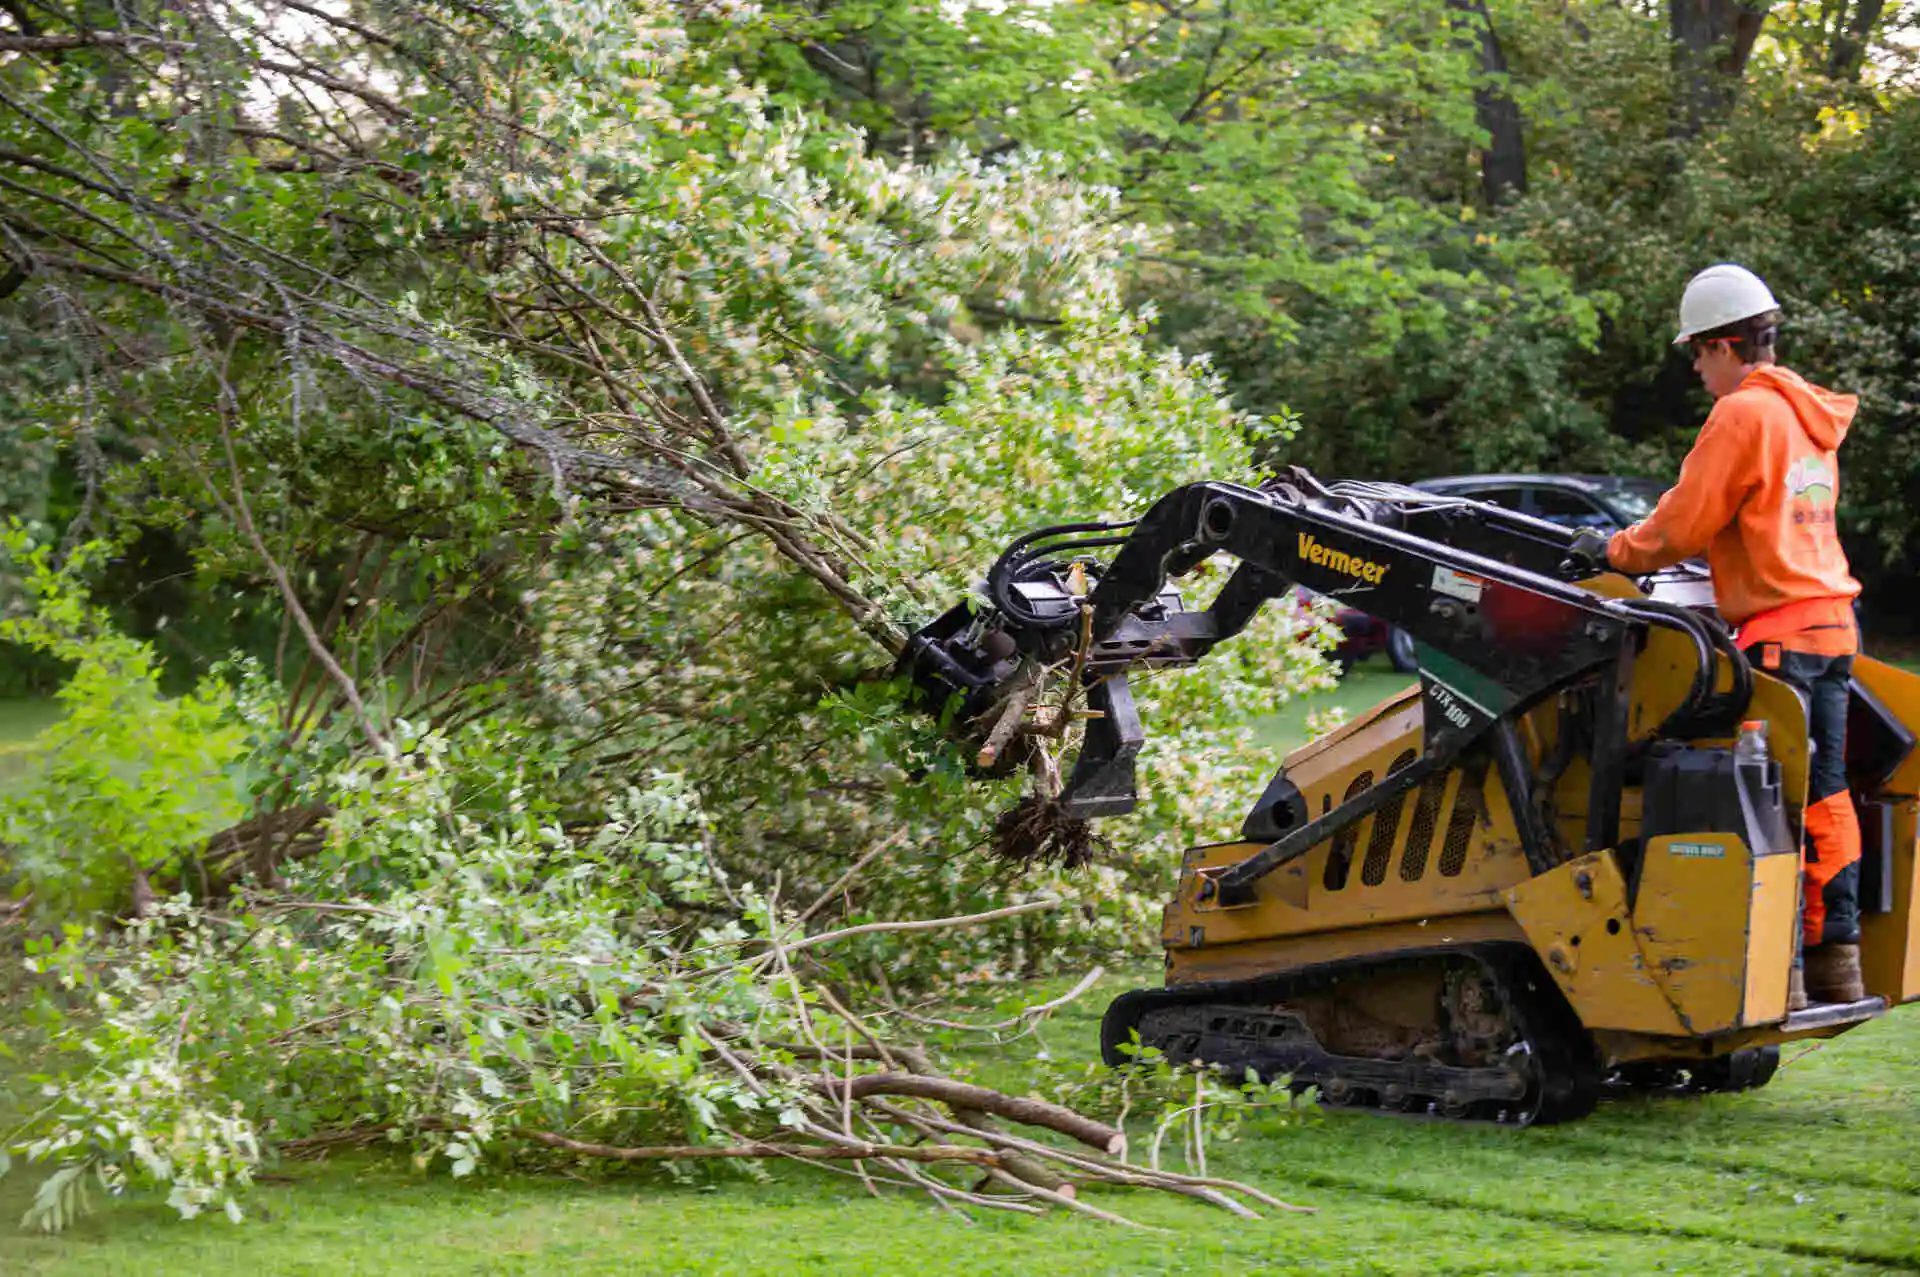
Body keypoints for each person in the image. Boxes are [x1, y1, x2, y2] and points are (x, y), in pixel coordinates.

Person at [1566, 263, 1864, 1008]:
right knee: (1824, 796)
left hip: (1779, 639)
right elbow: (1760, 518)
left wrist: (1610, 550)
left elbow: (1680, 523)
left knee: (1762, 803)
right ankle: (1839, 957)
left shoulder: (1743, 413)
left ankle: (1781, 972)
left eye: (1698, 353)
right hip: (1832, 627)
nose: (1697, 369)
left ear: (1727, 345)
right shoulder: (1807, 413)